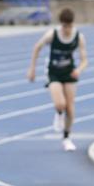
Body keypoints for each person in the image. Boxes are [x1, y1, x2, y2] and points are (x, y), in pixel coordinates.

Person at [27, 8, 88, 151]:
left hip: (69, 73)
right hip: (53, 72)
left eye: (70, 26)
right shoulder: (52, 34)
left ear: (73, 24)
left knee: (71, 109)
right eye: (65, 26)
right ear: (61, 24)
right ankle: (59, 113)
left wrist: (78, 70)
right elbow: (37, 48)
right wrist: (32, 69)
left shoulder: (78, 36)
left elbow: (85, 60)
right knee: (60, 103)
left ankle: (66, 138)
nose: (67, 29)